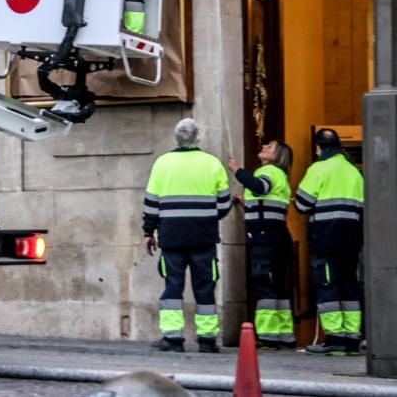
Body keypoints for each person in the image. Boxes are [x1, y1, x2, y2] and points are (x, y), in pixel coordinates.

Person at [143, 118, 232, 353]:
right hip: (203, 236)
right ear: (198, 137)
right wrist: (206, 218)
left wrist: (148, 231)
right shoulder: (212, 164)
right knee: (205, 286)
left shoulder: (162, 163)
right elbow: (224, 204)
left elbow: (151, 203)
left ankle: (173, 338)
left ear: (176, 138)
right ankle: (207, 339)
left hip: (171, 236)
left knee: (173, 285)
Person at [294, 128, 364, 355]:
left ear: (318, 148)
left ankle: (334, 338)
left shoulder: (318, 168)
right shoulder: (353, 171)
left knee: (327, 287)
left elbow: (302, 204)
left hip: (325, 239)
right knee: (349, 287)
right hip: (351, 240)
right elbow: (363, 207)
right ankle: (352, 338)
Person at [227, 140, 296, 349]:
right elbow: (265, 199)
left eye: (270, 146)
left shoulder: (269, 171)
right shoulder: (280, 175)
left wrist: (237, 170)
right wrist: (245, 202)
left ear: (278, 155)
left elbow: (260, 186)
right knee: (278, 286)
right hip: (278, 235)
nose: (265, 146)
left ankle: (267, 337)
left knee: (264, 281)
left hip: (265, 237)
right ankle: (285, 335)